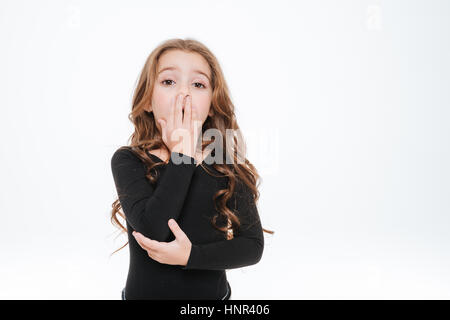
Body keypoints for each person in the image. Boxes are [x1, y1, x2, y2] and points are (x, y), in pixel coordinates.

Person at [110, 38, 274, 300]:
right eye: (168, 82)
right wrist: (182, 154)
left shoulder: (225, 164)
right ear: (148, 102)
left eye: (198, 84)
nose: (183, 93)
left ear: (211, 105)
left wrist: (190, 256)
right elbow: (152, 230)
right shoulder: (128, 160)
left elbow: (252, 247)